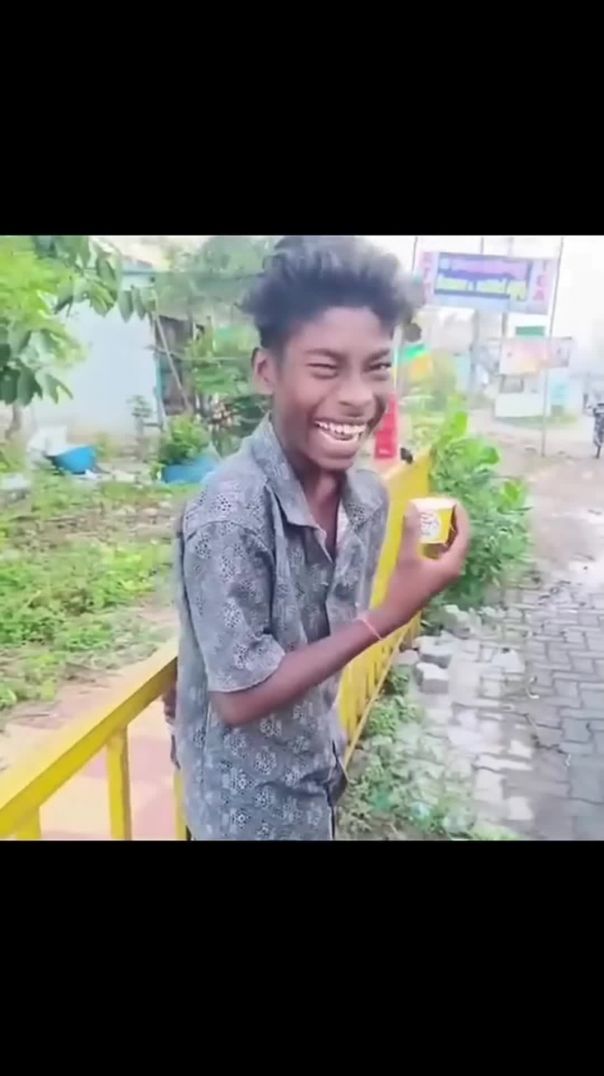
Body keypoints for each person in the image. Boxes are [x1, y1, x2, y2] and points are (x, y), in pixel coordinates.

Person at [172, 235, 470, 841]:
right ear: (267, 371)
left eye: (377, 367)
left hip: (318, 767)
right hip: (242, 809)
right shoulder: (231, 513)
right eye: (325, 368)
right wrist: (390, 613)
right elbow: (240, 697)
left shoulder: (366, 499)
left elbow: (314, 645)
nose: (358, 397)